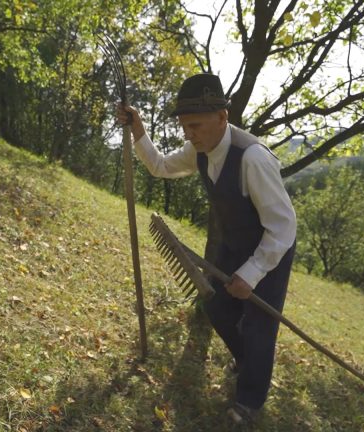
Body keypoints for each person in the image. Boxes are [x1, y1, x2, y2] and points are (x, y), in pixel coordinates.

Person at [117, 73, 297, 425]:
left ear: (222, 117)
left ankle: (249, 400)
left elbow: (283, 226)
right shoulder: (198, 150)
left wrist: (252, 273)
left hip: (270, 250)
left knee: (260, 326)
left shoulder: (253, 159)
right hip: (233, 245)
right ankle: (248, 361)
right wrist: (137, 128)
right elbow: (160, 166)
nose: (189, 134)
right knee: (217, 307)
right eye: (185, 126)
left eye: (195, 125)